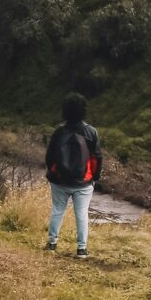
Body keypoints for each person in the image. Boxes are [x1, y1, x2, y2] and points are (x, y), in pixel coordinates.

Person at [45, 90, 102, 258]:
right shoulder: (91, 132)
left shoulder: (59, 132)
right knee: (82, 214)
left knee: (57, 210)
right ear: (83, 110)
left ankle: (52, 244)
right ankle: (81, 250)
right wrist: (94, 177)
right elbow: (97, 158)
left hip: (59, 181)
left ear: (65, 110)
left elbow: (50, 157)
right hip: (84, 182)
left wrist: (53, 172)